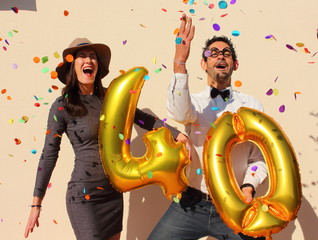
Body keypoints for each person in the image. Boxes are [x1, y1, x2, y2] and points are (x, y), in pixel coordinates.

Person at [24, 38, 190, 240]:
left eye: (92, 56)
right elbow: (49, 154)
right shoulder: (62, 106)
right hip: (84, 196)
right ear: (72, 65)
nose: (89, 60)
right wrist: (36, 203)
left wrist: (176, 133)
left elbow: (142, 118)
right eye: (82, 56)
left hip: (112, 194)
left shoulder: (109, 99)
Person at [148, 14, 268, 240]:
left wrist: (249, 187)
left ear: (235, 64)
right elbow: (178, 112)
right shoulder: (195, 103)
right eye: (212, 53)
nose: (220, 56)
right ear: (203, 64)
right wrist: (179, 62)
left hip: (234, 203)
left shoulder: (251, 106)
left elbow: (257, 159)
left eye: (226, 53)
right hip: (192, 203)